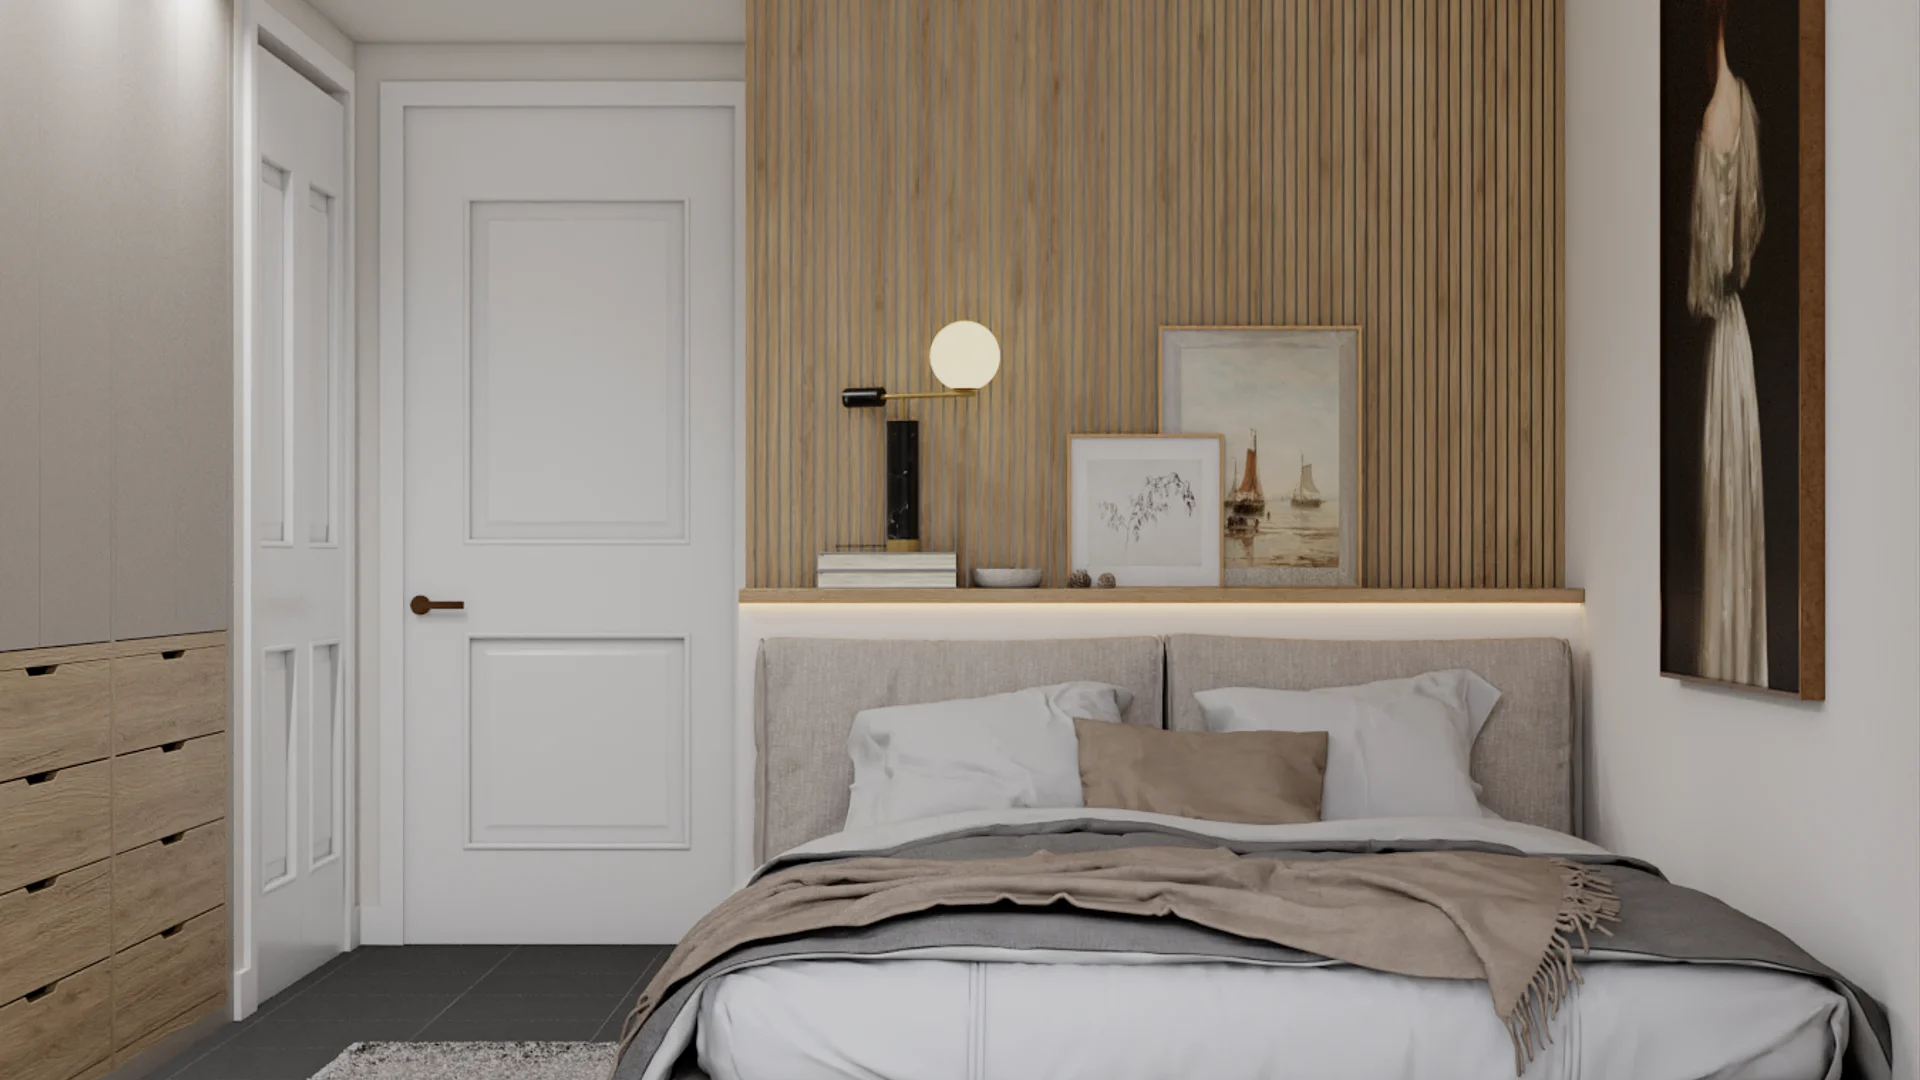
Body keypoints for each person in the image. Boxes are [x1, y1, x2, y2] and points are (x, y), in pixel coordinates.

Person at [1686, 0, 1768, 686]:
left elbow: (1707, 273)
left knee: (1725, 493)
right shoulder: (1741, 104)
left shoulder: (1721, 112)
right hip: (1733, 334)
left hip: (1723, 331)